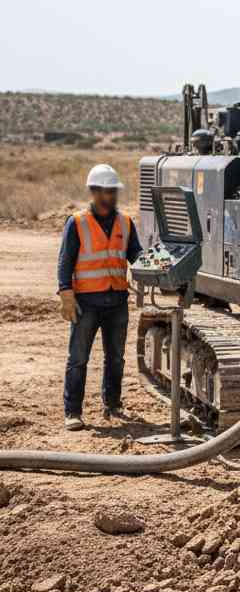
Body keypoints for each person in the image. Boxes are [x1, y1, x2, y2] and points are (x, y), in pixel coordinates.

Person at [57, 164, 142, 431]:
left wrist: (153, 266)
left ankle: (113, 404)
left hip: (117, 300)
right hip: (86, 303)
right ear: (94, 192)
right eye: (105, 191)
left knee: (115, 357)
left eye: (113, 191)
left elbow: (136, 256)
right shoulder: (78, 222)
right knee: (78, 358)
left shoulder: (125, 222)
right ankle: (72, 412)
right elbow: (65, 261)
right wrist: (66, 294)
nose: (110, 196)